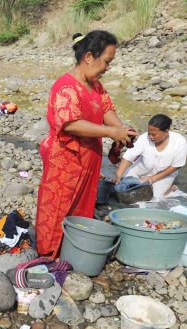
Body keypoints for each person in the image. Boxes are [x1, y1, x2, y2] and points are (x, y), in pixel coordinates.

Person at [35, 31, 137, 258]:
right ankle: (48, 251)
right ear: (89, 56)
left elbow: (107, 109)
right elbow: (70, 123)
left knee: (82, 203)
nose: (107, 68)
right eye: (107, 61)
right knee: (58, 205)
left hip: (88, 157)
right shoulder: (66, 86)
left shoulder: (96, 86)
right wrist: (111, 131)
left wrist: (121, 130)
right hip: (65, 158)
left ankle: (72, 248)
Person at [113, 114, 187, 197]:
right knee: (122, 189)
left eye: (154, 135)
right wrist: (118, 176)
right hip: (138, 171)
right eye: (149, 133)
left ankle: (171, 190)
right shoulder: (144, 138)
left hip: (163, 175)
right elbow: (128, 157)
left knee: (152, 198)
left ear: (166, 132)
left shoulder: (179, 142)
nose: (150, 137)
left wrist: (152, 179)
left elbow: (176, 166)